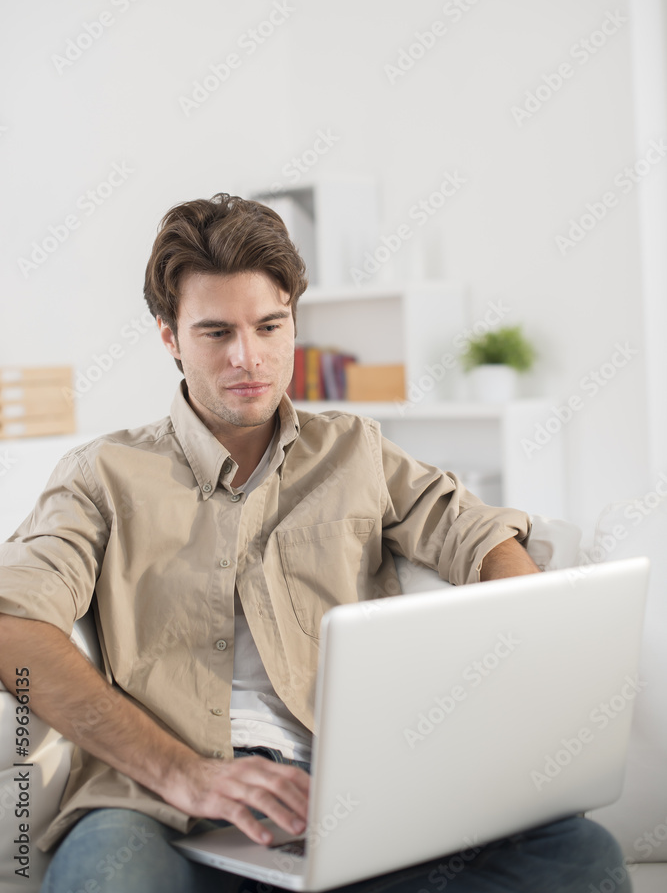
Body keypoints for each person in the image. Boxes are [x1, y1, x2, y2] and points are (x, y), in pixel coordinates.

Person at [0, 193, 629, 893]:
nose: (248, 358)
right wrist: (187, 775)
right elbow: (14, 625)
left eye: (269, 326)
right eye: (214, 333)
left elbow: (475, 533)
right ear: (169, 337)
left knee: (579, 859)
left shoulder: (353, 449)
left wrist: (528, 653)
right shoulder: (102, 475)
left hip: (348, 793)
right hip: (160, 801)